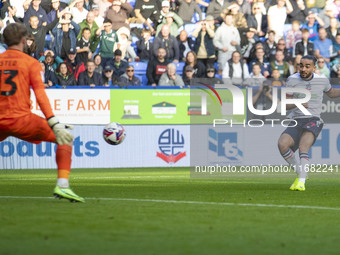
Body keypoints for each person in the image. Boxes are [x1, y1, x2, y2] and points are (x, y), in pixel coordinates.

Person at [0, 23, 84, 202]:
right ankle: (63, 186)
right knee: (65, 138)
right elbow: (40, 94)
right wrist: (54, 122)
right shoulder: (30, 62)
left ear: (4, 40)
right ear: (24, 41)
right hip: (21, 120)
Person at [277, 55, 340, 191]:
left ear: (314, 68)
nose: (303, 69)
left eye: (307, 66)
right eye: (301, 65)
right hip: (296, 119)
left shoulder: (322, 80)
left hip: (313, 119)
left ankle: (301, 182)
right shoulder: (292, 80)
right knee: (282, 144)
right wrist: (297, 103)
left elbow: (332, 93)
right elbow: (284, 104)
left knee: (303, 147)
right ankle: (301, 173)